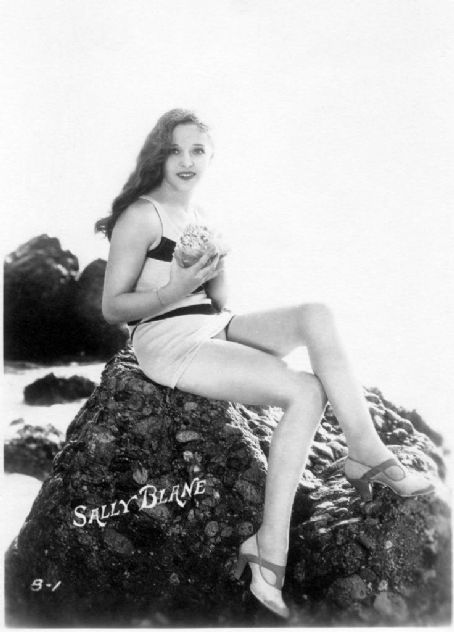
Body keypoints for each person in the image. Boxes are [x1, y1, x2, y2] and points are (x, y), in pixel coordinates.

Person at [95, 108, 434, 619]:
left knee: (316, 314)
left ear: (211, 157)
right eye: (175, 150)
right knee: (306, 391)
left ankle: (365, 450)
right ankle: (270, 545)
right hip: (167, 339)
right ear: (158, 156)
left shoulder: (200, 216)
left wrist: (216, 267)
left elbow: (216, 302)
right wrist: (174, 287)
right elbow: (113, 307)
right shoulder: (143, 216)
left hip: (212, 323)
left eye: (198, 150)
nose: (187, 161)